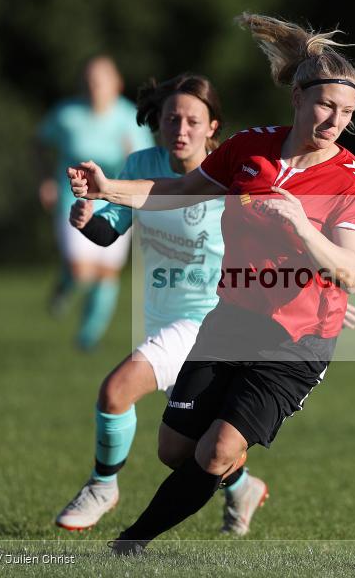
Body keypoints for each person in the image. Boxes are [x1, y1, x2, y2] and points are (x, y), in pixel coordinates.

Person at [68, 12, 355, 554]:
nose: (335, 120)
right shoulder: (249, 149)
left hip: (296, 340)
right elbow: (181, 190)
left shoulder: (350, 182)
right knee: (174, 449)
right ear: (298, 100)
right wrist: (108, 187)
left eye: (347, 111)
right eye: (327, 105)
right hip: (233, 318)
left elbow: (351, 270)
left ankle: (129, 544)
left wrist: (301, 225)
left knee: (215, 453)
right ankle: (241, 485)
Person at [54, 73, 267, 536]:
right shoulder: (142, 163)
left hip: (206, 322)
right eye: (173, 117)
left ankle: (102, 486)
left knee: (115, 392)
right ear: (160, 122)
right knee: (187, 450)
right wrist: (88, 217)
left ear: (214, 127)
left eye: (194, 120)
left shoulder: (231, 178)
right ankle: (242, 486)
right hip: (159, 319)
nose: (181, 128)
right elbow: (110, 229)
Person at [37, 55, 153, 350]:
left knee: (106, 274)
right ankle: (65, 285)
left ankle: (87, 338)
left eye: (100, 81)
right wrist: (45, 180)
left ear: (116, 84)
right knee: (82, 271)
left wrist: (132, 157)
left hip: (115, 200)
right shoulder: (67, 115)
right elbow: (40, 144)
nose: (94, 87)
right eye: (89, 81)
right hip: (73, 198)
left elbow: (144, 164)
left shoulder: (130, 119)